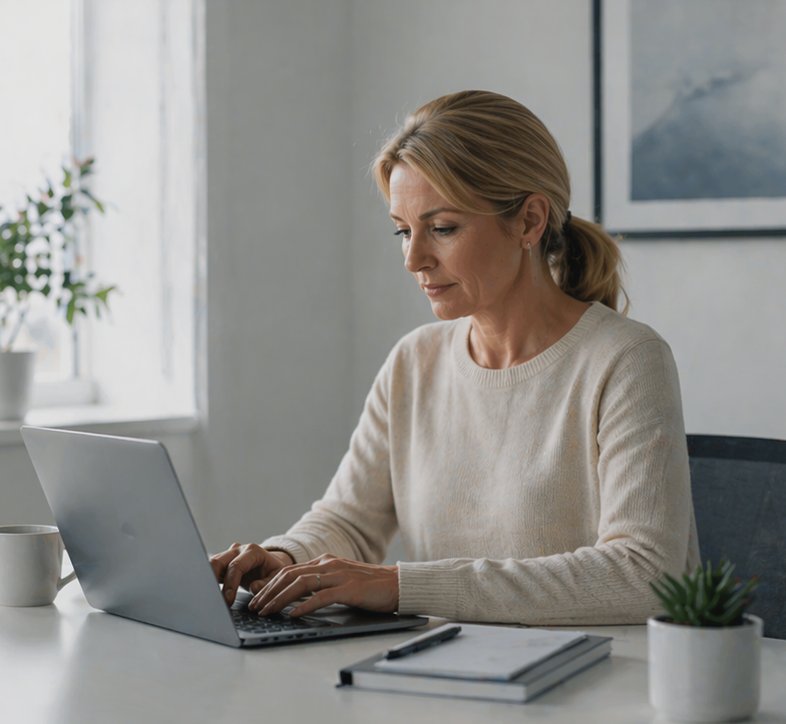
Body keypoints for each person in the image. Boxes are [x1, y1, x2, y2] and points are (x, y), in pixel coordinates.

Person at [210, 90, 700, 625]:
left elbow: (644, 575)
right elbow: (350, 521)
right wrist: (282, 560)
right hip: (451, 674)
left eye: (442, 228)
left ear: (530, 222)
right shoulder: (414, 361)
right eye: (403, 230)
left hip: (600, 684)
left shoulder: (626, 359)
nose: (413, 258)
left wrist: (400, 586)